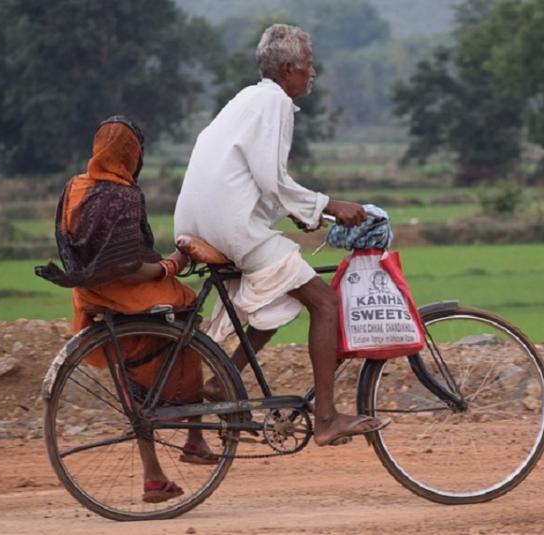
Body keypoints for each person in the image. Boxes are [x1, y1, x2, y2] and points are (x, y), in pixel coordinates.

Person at [174, 24, 389, 447]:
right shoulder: (273, 103)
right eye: (309, 66)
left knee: (286, 288)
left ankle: (225, 378)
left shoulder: (248, 99)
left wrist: (301, 212)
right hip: (229, 225)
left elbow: (248, 179)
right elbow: (271, 178)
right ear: (289, 68)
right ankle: (326, 418)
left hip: (201, 218)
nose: (313, 74)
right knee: (325, 302)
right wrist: (330, 205)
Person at [36, 116, 217, 504]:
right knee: (188, 313)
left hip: (91, 296)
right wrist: (173, 264)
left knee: (129, 369)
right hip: (128, 291)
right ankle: (195, 436)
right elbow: (132, 269)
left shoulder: (75, 187)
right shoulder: (122, 195)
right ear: (133, 156)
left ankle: (154, 474)